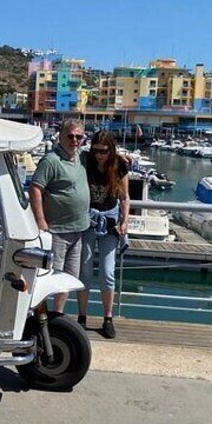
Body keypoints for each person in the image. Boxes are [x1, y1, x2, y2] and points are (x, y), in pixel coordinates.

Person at [29, 119, 90, 313]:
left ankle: (58, 316)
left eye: (79, 137)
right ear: (61, 137)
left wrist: (123, 160)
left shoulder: (80, 157)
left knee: (67, 279)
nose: (74, 140)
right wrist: (40, 221)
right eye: (70, 136)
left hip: (77, 231)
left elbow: (105, 156)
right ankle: (41, 319)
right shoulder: (51, 160)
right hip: (56, 231)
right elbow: (36, 188)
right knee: (49, 277)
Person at [78, 130, 130, 339]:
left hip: (110, 223)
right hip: (87, 220)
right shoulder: (85, 161)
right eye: (96, 150)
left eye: (104, 151)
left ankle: (108, 318)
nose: (99, 155)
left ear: (111, 150)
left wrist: (125, 221)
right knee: (85, 271)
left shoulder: (119, 165)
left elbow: (125, 197)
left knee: (108, 273)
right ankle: (82, 316)